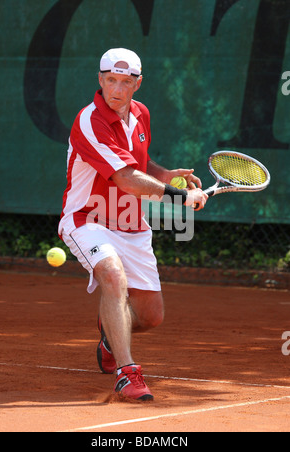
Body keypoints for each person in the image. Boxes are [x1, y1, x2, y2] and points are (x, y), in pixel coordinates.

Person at [58, 48, 208, 401]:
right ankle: (127, 373)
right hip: (87, 219)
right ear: (100, 79)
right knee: (112, 275)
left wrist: (164, 175)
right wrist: (179, 196)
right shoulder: (89, 121)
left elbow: (139, 163)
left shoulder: (140, 114)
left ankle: (110, 335)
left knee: (151, 316)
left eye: (126, 82)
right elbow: (125, 178)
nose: (116, 90)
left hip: (131, 225)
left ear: (137, 84)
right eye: (110, 80)